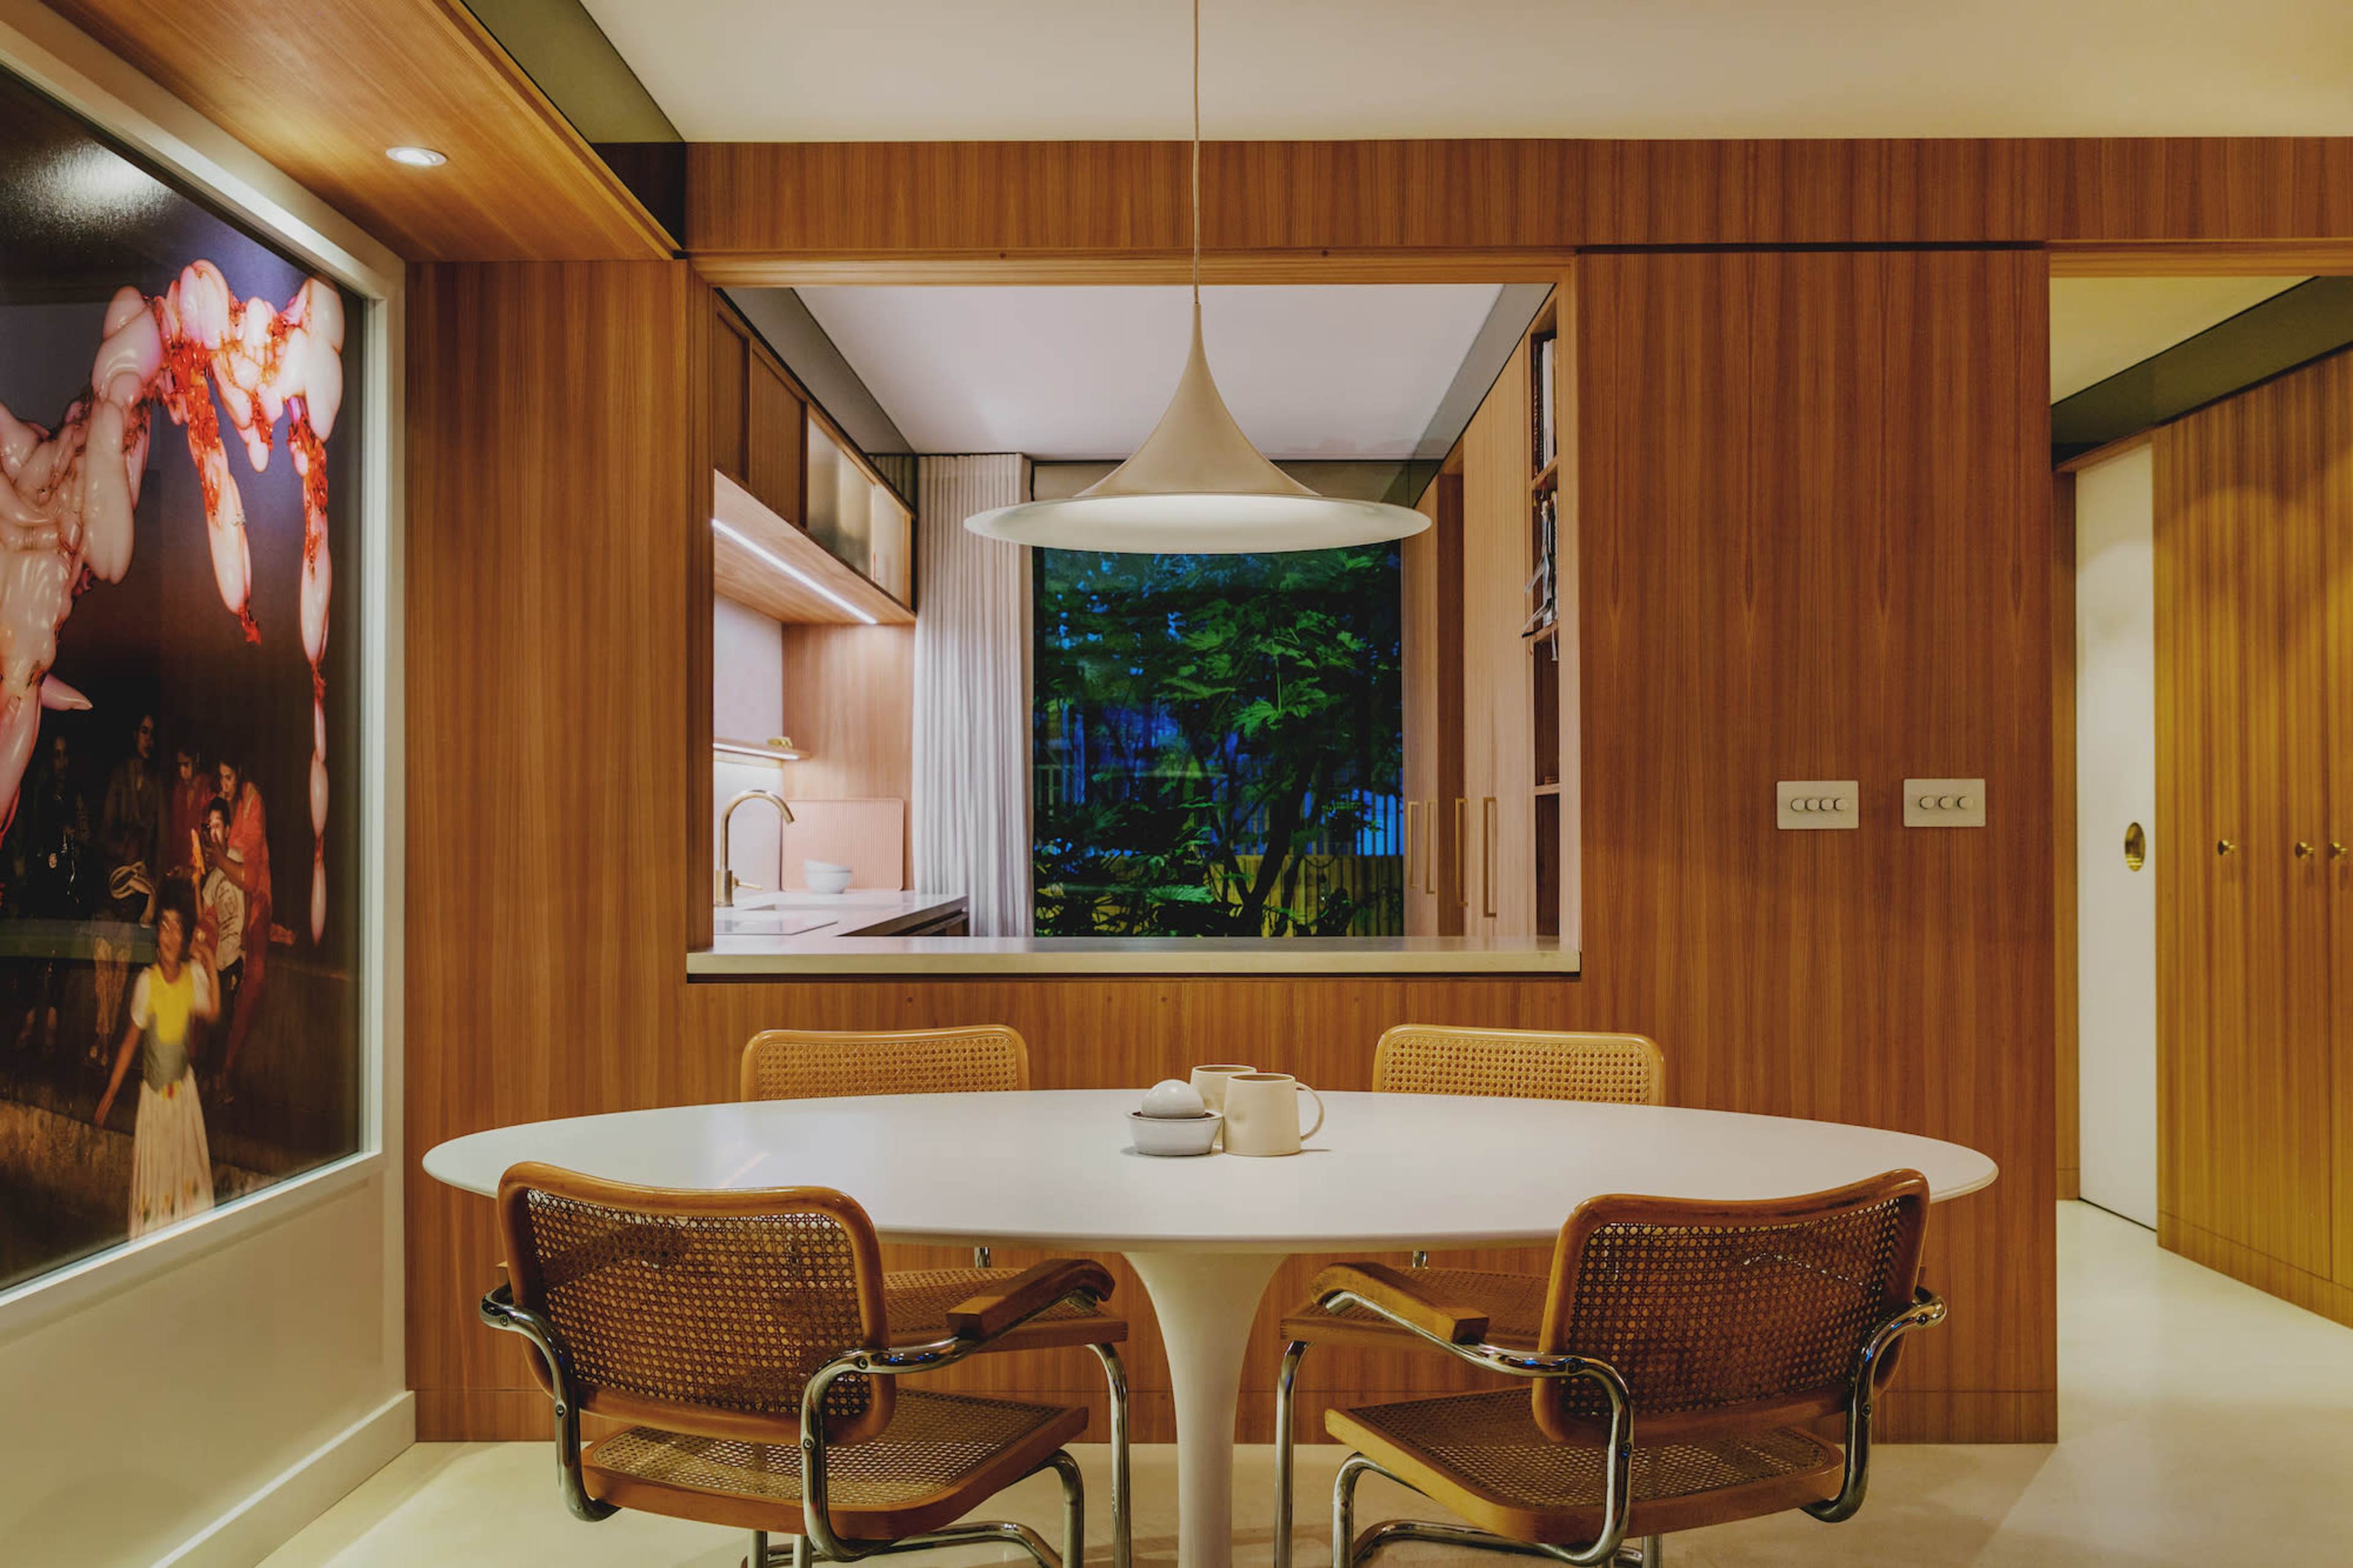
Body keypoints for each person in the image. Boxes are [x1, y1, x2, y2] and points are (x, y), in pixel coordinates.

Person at [93, 878, 219, 1238]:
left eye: (178, 927)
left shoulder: (193, 978)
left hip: (183, 1100)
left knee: (184, 1175)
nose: (170, 935)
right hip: (154, 1101)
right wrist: (111, 1090)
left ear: (186, 935)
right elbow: (130, 1042)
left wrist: (209, 960)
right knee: (158, 1177)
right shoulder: (147, 983)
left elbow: (212, 1011)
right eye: (164, 925)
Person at [93, 713, 163, 1058]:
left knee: (121, 960)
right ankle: (102, 1035)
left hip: (140, 887)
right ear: (134, 734)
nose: (149, 740)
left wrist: (153, 895)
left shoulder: (156, 783)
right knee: (102, 956)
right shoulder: (118, 776)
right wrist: (123, 855)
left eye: (153, 734)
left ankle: (107, 1042)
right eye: (145, 732)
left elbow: (160, 845)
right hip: (114, 881)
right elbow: (103, 834)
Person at [210, 755, 270, 1083]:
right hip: (223, 902)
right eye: (221, 777)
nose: (224, 785)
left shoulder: (252, 803)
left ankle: (227, 1067)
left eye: (229, 777)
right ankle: (201, 1064)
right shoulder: (217, 801)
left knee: (253, 977)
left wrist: (220, 860)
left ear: (240, 774)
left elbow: (250, 880)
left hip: (255, 902)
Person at [198, 797, 245, 1043]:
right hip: (220, 959)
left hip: (239, 955)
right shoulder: (213, 878)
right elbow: (203, 917)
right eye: (210, 827)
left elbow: (250, 885)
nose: (213, 833)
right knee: (215, 1024)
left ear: (227, 830)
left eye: (217, 826)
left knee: (227, 1021)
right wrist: (195, 882)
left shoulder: (238, 858)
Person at [166, 745, 209, 876]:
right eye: (180, 766)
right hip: (181, 866)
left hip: (201, 865)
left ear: (196, 760)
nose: (182, 771)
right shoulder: (179, 789)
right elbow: (175, 832)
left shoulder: (207, 787)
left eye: (186, 765)